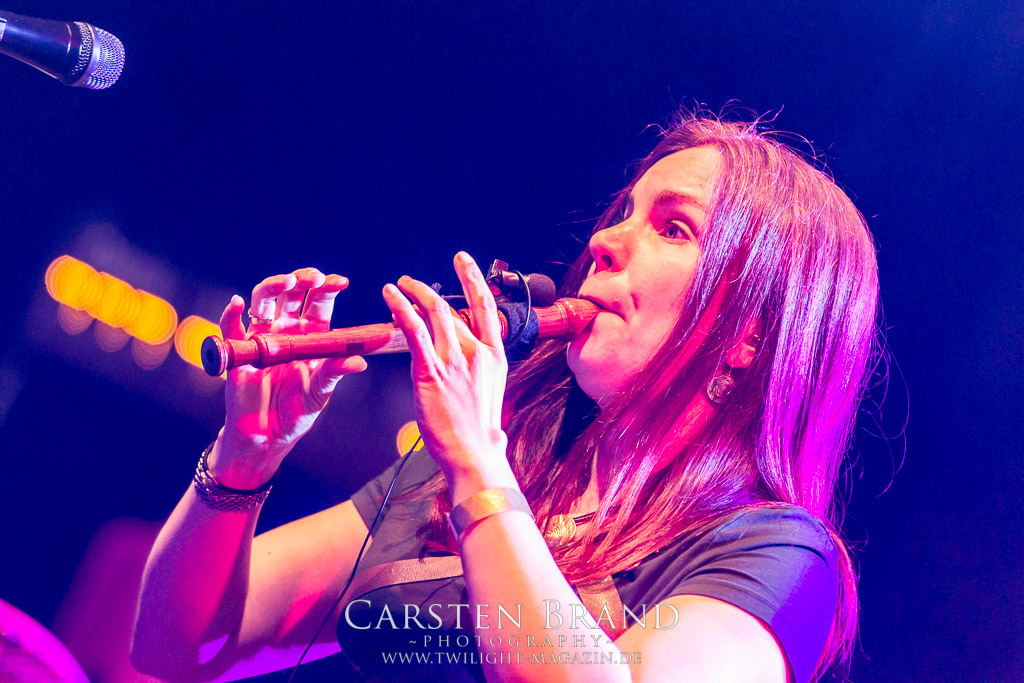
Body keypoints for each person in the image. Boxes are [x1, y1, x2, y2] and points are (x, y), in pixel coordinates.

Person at [131, 111, 878, 683]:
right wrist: (246, 455)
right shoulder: (469, 472)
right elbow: (176, 647)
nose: (607, 241)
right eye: (623, 213)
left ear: (747, 335)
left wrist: (478, 465)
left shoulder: (773, 554)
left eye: (673, 228)